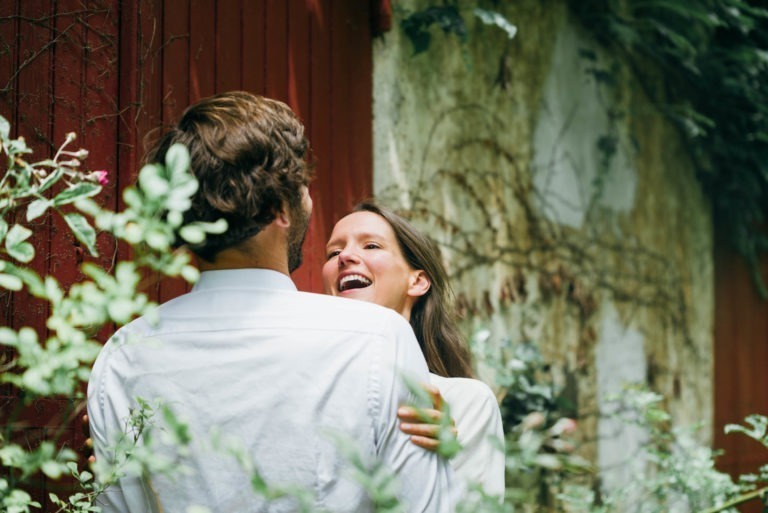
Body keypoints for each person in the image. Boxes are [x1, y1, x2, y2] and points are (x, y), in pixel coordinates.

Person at [86, 92, 455, 513]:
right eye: (304, 189)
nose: (310, 201)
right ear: (281, 207)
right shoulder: (377, 338)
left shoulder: (124, 356)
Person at [322, 201, 505, 499]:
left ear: (417, 281)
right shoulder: (309, 385)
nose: (345, 257)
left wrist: (442, 462)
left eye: (370, 245)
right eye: (333, 252)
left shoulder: (465, 402)